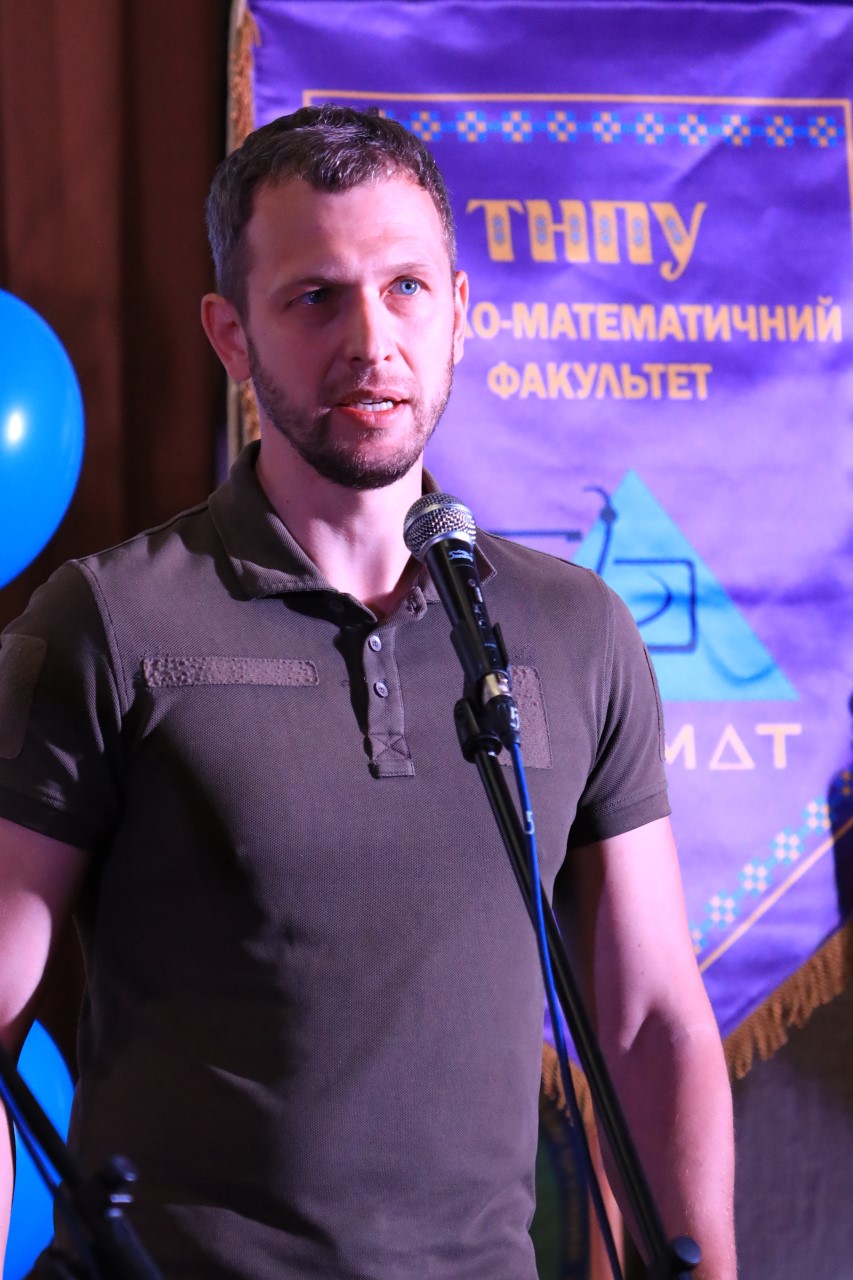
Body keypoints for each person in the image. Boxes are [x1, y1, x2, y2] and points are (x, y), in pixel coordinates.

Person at [0, 106, 735, 1279]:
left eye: (405, 289)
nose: (372, 339)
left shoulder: (575, 629)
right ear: (231, 335)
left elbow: (649, 1020)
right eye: (315, 298)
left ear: (459, 312)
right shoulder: (109, 620)